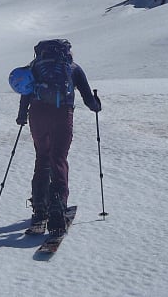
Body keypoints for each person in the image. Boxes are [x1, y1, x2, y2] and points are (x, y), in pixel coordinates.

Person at [16, 39, 101, 236]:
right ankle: (57, 208)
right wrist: (96, 106)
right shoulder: (73, 68)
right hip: (62, 114)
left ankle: (39, 208)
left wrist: (22, 115)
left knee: (42, 157)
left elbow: (25, 92)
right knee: (59, 159)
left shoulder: (35, 66)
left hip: (37, 114)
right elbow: (88, 98)